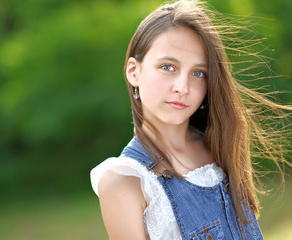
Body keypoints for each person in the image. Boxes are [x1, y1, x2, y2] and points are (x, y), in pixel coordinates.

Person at [90, 0, 292, 239]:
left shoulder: (219, 144)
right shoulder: (125, 181)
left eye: (198, 73)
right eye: (168, 67)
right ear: (134, 72)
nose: (183, 87)